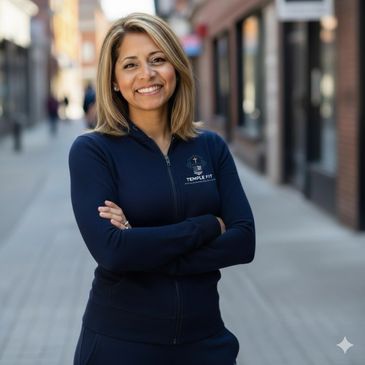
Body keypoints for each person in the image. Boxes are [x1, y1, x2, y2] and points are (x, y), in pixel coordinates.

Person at [69, 12, 255, 365]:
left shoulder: (210, 147)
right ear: (112, 80)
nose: (147, 74)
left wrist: (141, 243)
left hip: (205, 342)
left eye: (157, 59)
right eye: (130, 64)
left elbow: (244, 242)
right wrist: (206, 226)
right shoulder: (93, 151)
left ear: (176, 67)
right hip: (120, 344)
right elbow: (113, 253)